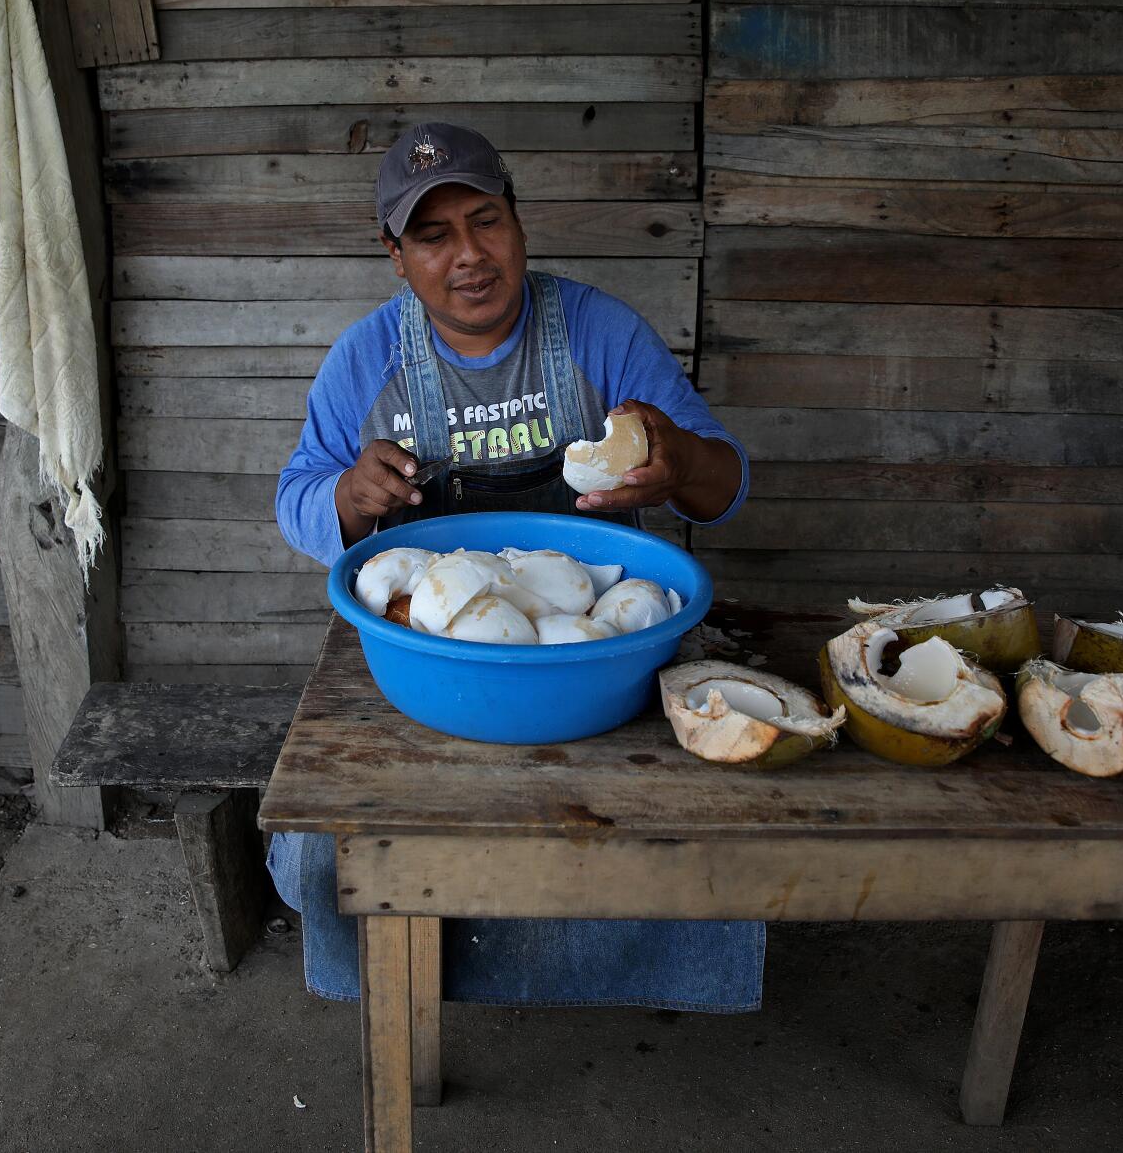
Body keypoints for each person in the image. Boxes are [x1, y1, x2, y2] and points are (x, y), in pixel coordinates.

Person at [269, 122, 762, 1011]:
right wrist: (347, 495)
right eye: (433, 236)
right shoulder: (365, 362)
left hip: (597, 662)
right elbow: (294, 497)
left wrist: (677, 459)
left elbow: (723, 483)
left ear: (518, 220)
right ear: (395, 254)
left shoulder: (600, 334)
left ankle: (635, 985)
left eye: (485, 221)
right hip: (432, 666)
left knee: (718, 813)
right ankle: (410, 985)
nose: (469, 256)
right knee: (321, 848)